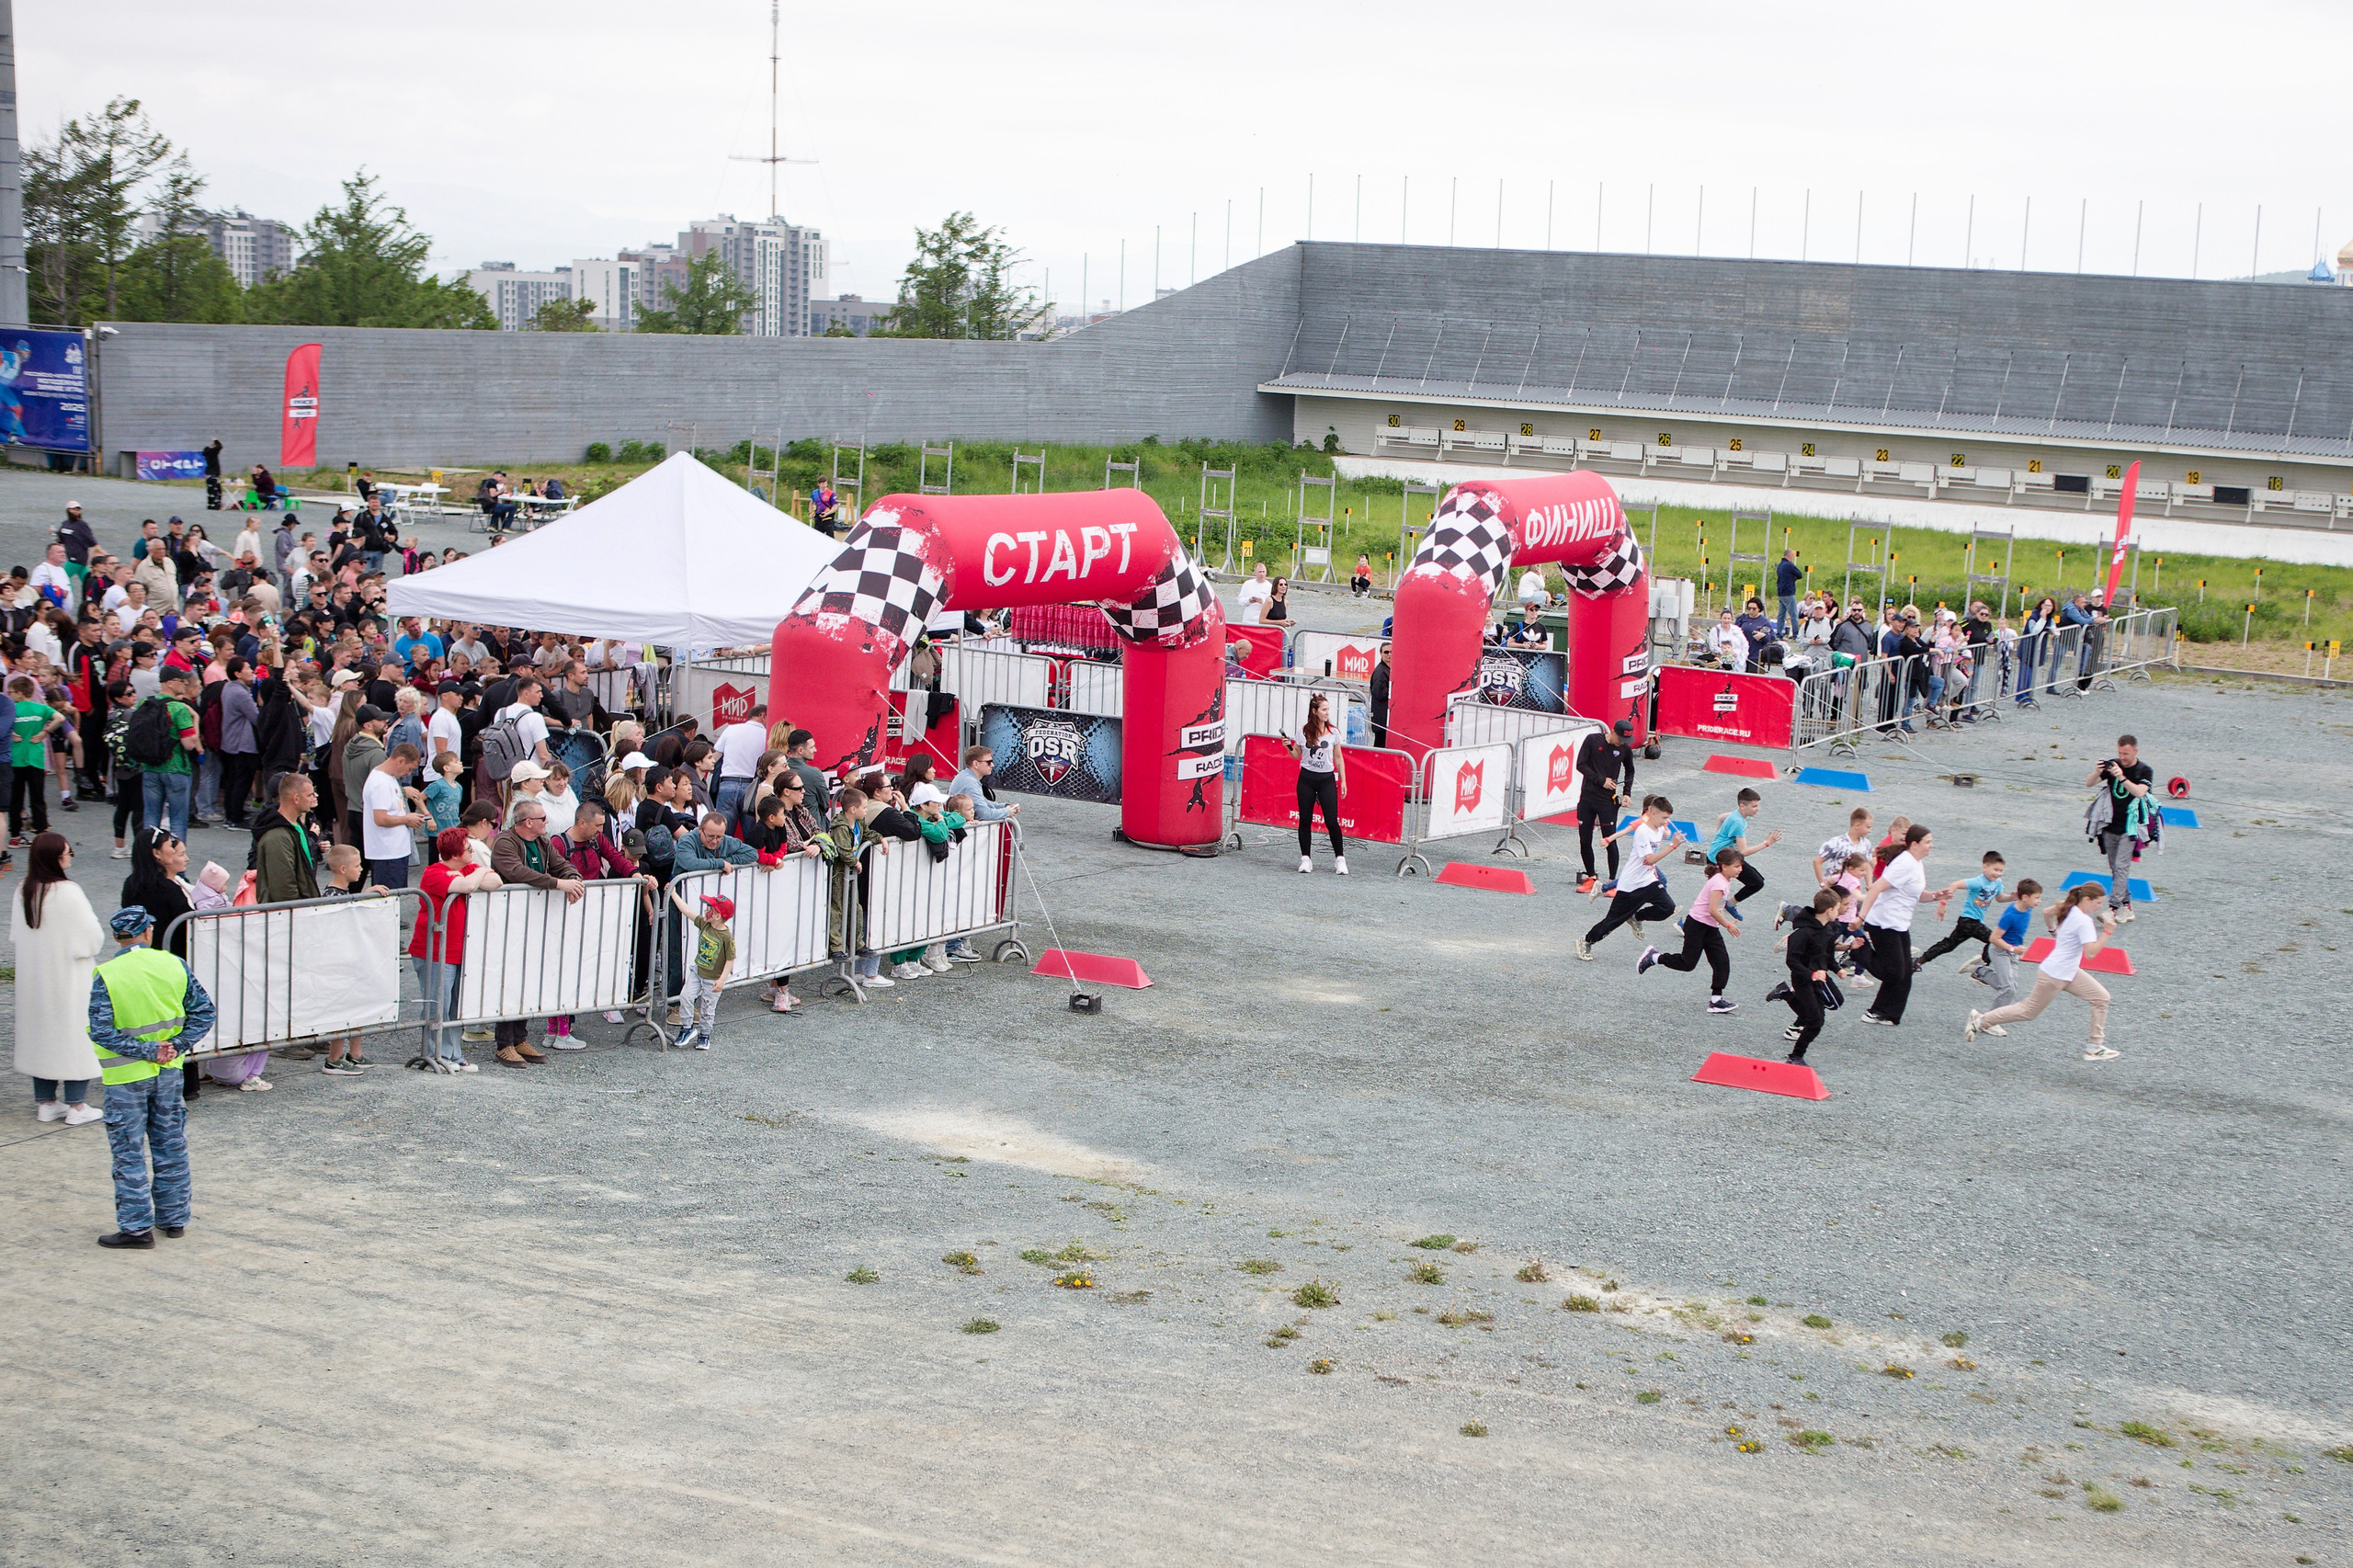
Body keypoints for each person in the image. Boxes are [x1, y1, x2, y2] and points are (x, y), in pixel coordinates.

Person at [88, 904, 214, 1248]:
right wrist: (175, 1044)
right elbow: (204, 1012)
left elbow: (101, 1031)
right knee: (170, 1145)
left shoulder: (107, 974)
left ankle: (136, 1228)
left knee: (129, 1151)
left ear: (116, 938)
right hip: (169, 1072)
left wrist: (147, 1050)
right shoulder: (174, 964)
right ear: (148, 932)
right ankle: (174, 1220)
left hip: (124, 1076)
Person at [14, 833, 108, 1128]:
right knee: (74, 1036)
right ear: (57, 858)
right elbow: (93, 939)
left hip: (34, 978)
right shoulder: (68, 891)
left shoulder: (23, 890)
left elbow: (16, 936)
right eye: (68, 853)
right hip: (69, 978)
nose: (70, 857)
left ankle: (46, 1102)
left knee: (41, 1035)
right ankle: (76, 1105)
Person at [1967, 883, 2118, 1060]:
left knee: (2102, 997)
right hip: (2055, 975)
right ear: (2087, 899)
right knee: (2028, 1011)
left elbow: (2047, 912)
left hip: (2069, 972)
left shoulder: (2070, 908)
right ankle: (1980, 1020)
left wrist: (2054, 930)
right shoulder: (2085, 921)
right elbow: (2091, 953)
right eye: (2098, 903)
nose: (2100, 907)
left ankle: (2094, 1046)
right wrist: (2107, 932)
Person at [487, 801, 584, 1067]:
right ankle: (504, 1044)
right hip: (509, 921)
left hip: (533, 922)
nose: (546, 821)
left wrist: (572, 877)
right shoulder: (505, 842)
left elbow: (560, 864)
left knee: (529, 979)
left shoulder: (542, 842)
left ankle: (520, 1038)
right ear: (527, 822)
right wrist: (557, 883)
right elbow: (516, 872)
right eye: (542, 817)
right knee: (510, 981)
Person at [409, 825, 497, 1074]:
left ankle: (453, 1054)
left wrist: (476, 873)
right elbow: (468, 886)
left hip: (457, 950)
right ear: (457, 854)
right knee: (438, 1004)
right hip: (434, 951)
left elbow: (496, 881)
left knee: (456, 1006)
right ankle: (436, 1053)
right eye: (468, 848)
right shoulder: (433, 873)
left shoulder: (465, 870)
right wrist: (479, 873)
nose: (472, 852)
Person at [1637, 846, 1743, 1015]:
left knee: (1721, 962)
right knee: (1687, 963)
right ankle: (1655, 957)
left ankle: (1716, 1000)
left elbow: (1713, 907)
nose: (1740, 869)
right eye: (1737, 866)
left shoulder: (1722, 880)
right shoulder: (1719, 882)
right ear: (1724, 866)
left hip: (1709, 927)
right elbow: (1712, 910)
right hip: (1698, 925)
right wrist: (1728, 925)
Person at [1576, 796, 1682, 960]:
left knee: (1668, 907)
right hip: (1630, 885)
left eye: (1668, 818)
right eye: (1664, 817)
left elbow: (1665, 833)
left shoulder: (1659, 828)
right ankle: (1586, 941)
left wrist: (1668, 832)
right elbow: (1650, 859)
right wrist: (1673, 846)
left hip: (1648, 881)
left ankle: (1636, 916)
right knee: (1611, 923)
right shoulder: (1642, 831)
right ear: (1653, 813)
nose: (1666, 821)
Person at [1855, 824, 1932, 1026]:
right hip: (1883, 922)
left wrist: (1936, 896)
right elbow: (1876, 888)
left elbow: (1917, 894)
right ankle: (1856, 950)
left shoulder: (1916, 863)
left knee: (1905, 971)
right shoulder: (1904, 863)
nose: (1931, 846)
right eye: (1928, 842)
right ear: (1914, 844)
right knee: (1894, 972)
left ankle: (1884, 1013)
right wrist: (1861, 918)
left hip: (1899, 924)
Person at [2086, 734, 2154, 923]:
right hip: (2110, 825)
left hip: (2131, 827)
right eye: (2119, 753)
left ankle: (2113, 908)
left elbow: (2140, 792)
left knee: (2122, 867)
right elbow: (2089, 783)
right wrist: (2096, 772)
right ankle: (2127, 906)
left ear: (2135, 751)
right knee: (2115, 869)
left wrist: (2122, 778)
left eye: (2126, 753)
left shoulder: (2145, 770)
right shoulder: (2114, 766)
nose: (2122, 757)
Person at [1284, 693, 1347, 876]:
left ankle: (1340, 859)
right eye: (1324, 710)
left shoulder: (1334, 732)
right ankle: (1305, 859)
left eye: (1328, 709)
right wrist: (1288, 746)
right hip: (1306, 779)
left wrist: (1343, 780)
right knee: (1305, 819)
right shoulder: (1303, 731)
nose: (1327, 713)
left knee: (1331, 821)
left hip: (1327, 779)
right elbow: (1296, 755)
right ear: (1315, 711)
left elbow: (1338, 757)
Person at [666, 889, 735, 1051]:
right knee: (685, 996)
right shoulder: (705, 923)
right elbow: (687, 911)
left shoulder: (726, 937)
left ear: (717, 915)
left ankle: (704, 1035)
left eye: (709, 908)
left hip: (714, 978)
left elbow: (730, 959)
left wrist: (722, 980)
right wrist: (673, 893)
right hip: (698, 971)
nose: (705, 910)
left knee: (707, 1008)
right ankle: (687, 1027)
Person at [1574, 718, 1636, 895]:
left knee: (1610, 840)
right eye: (1621, 739)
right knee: (1585, 839)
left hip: (1608, 802)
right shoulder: (1593, 740)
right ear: (1613, 732)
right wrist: (1601, 781)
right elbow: (1581, 765)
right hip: (1587, 798)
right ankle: (1591, 877)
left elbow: (1630, 770)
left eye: (1626, 741)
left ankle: (1612, 881)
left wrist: (1627, 793)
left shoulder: (1624, 749)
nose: (1622, 743)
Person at [1915, 851, 2005, 971]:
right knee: (1994, 939)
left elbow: (2000, 898)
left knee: (1949, 945)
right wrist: (1943, 903)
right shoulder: (1978, 882)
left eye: (2001, 871)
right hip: (1969, 921)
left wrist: (2013, 898)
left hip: (1971, 922)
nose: (1998, 874)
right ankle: (1981, 967)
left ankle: (1919, 961)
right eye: (1996, 870)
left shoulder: (1997, 883)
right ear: (1985, 866)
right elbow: (1955, 884)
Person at [1779, 888, 1841, 1064]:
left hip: (1818, 980)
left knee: (1819, 1015)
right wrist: (1811, 974)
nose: (1838, 913)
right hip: (1803, 980)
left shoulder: (1828, 930)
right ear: (1829, 910)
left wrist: (1838, 970)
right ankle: (1796, 1056)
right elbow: (1792, 960)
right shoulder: (1803, 933)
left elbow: (1828, 956)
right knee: (1815, 1021)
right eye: (1837, 909)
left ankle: (1785, 994)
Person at [8, 673, 65, 846]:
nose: (8, 695)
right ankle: (40, 833)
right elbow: (60, 718)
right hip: (35, 759)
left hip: (16, 759)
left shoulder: (11, 709)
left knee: (16, 799)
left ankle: (15, 836)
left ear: (19, 693)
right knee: (38, 797)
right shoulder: (40, 708)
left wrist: (9, 733)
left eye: (10, 692)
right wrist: (45, 732)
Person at [362, 742, 426, 889]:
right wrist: (407, 819)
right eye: (409, 769)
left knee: (395, 898)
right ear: (400, 761)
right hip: (387, 853)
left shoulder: (388, 778)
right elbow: (380, 818)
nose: (409, 773)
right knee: (388, 900)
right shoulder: (380, 783)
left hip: (393, 851)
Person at [1702, 788, 1779, 908]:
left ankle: (1729, 904)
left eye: (1758, 805)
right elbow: (1744, 851)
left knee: (1757, 881)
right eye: (1754, 806)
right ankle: (1691, 921)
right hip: (1719, 860)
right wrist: (1767, 843)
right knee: (1715, 896)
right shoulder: (1737, 822)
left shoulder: (1741, 815)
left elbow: (1721, 817)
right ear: (1742, 806)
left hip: (1726, 855)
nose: (1757, 809)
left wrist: (1719, 837)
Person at [711, 703, 768, 826]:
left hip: (727, 784)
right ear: (763, 716)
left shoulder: (730, 729)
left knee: (721, 832)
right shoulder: (766, 735)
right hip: (752, 787)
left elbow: (714, 759)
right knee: (750, 835)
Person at [2015, 596, 2056, 707]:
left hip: (2037, 650)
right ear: (2041, 605)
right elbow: (2034, 630)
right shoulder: (2034, 616)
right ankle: (2021, 697)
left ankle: (2029, 696)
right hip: (2027, 649)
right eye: (2046, 605)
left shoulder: (2050, 618)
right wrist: (2042, 619)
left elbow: (2055, 630)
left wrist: (2051, 629)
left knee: (2032, 675)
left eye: (2050, 606)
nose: (2048, 608)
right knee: (2025, 674)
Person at [1704, 608, 1747, 672]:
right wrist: (1726, 652)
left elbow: (1745, 644)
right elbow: (1713, 646)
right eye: (1725, 618)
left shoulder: (1737, 630)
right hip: (1722, 661)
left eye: (1729, 618)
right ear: (1721, 618)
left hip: (1738, 661)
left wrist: (1741, 656)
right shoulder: (1715, 630)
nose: (1727, 621)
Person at [1368, 642, 1392, 749]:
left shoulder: (1389, 669)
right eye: (1386, 652)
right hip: (1381, 718)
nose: (1389, 655)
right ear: (1381, 654)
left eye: (1391, 652)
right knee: (1380, 745)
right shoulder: (1380, 672)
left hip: (1386, 716)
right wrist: (1394, 692)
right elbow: (1379, 693)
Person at [1774, 549, 1802, 635]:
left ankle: (1779, 632)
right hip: (1789, 592)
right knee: (1794, 614)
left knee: (1781, 614)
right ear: (1790, 555)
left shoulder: (1780, 565)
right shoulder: (1789, 565)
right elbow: (1800, 574)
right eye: (1792, 556)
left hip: (1781, 592)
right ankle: (1796, 634)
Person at [1235, 562, 1273, 626]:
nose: (1262, 574)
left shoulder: (1270, 587)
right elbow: (1240, 600)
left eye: (1263, 572)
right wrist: (1249, 600)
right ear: (1255, 573)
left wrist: (1262, 602)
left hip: (1262, 622)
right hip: (1248, 621)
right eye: (1259, 572)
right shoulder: (1247, 584)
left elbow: (1272, 606)